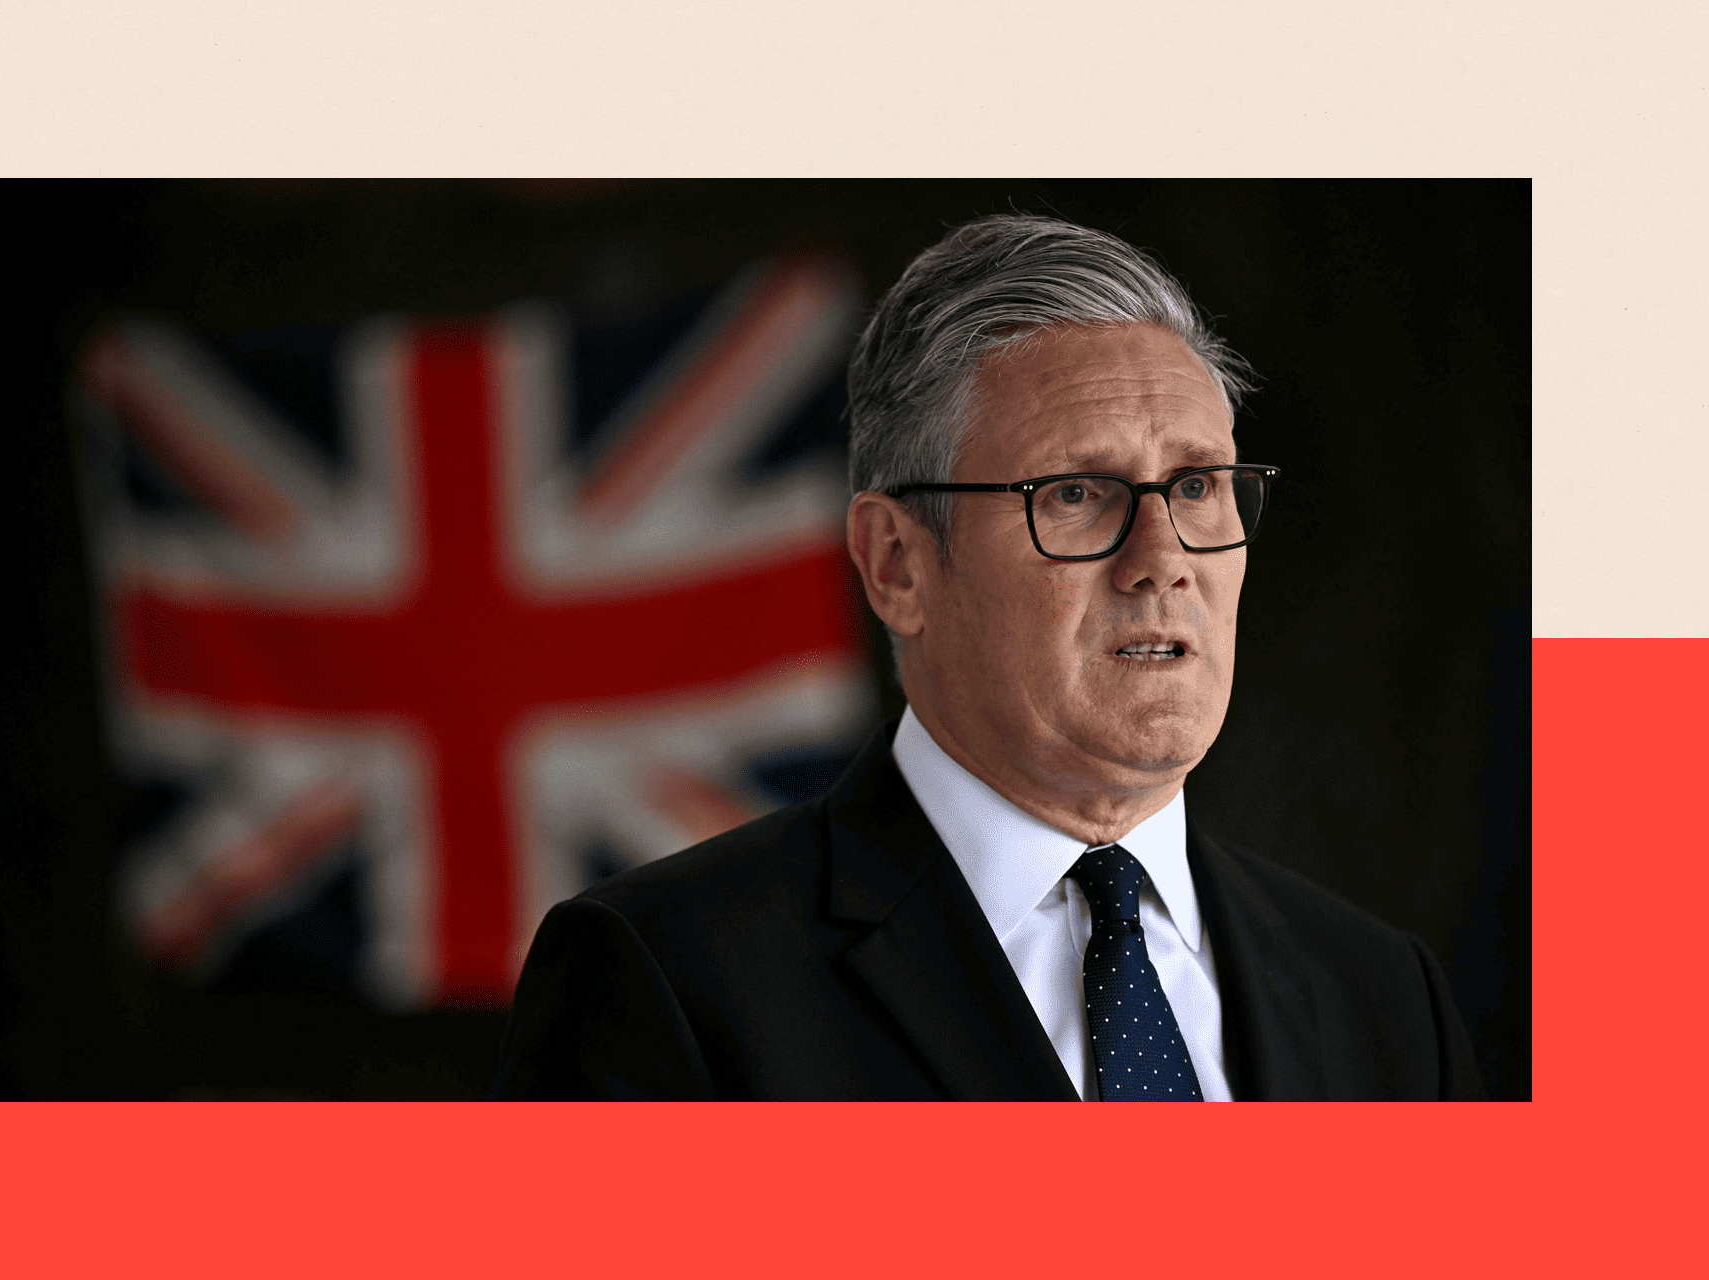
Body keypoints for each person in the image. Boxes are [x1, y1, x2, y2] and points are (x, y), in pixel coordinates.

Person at [490, 214, 1484, 1100]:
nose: (1163, 562)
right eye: (1074, 495)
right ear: (897, 565)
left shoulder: (1386, 997)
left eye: (1195, 488)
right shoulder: (667, 979)